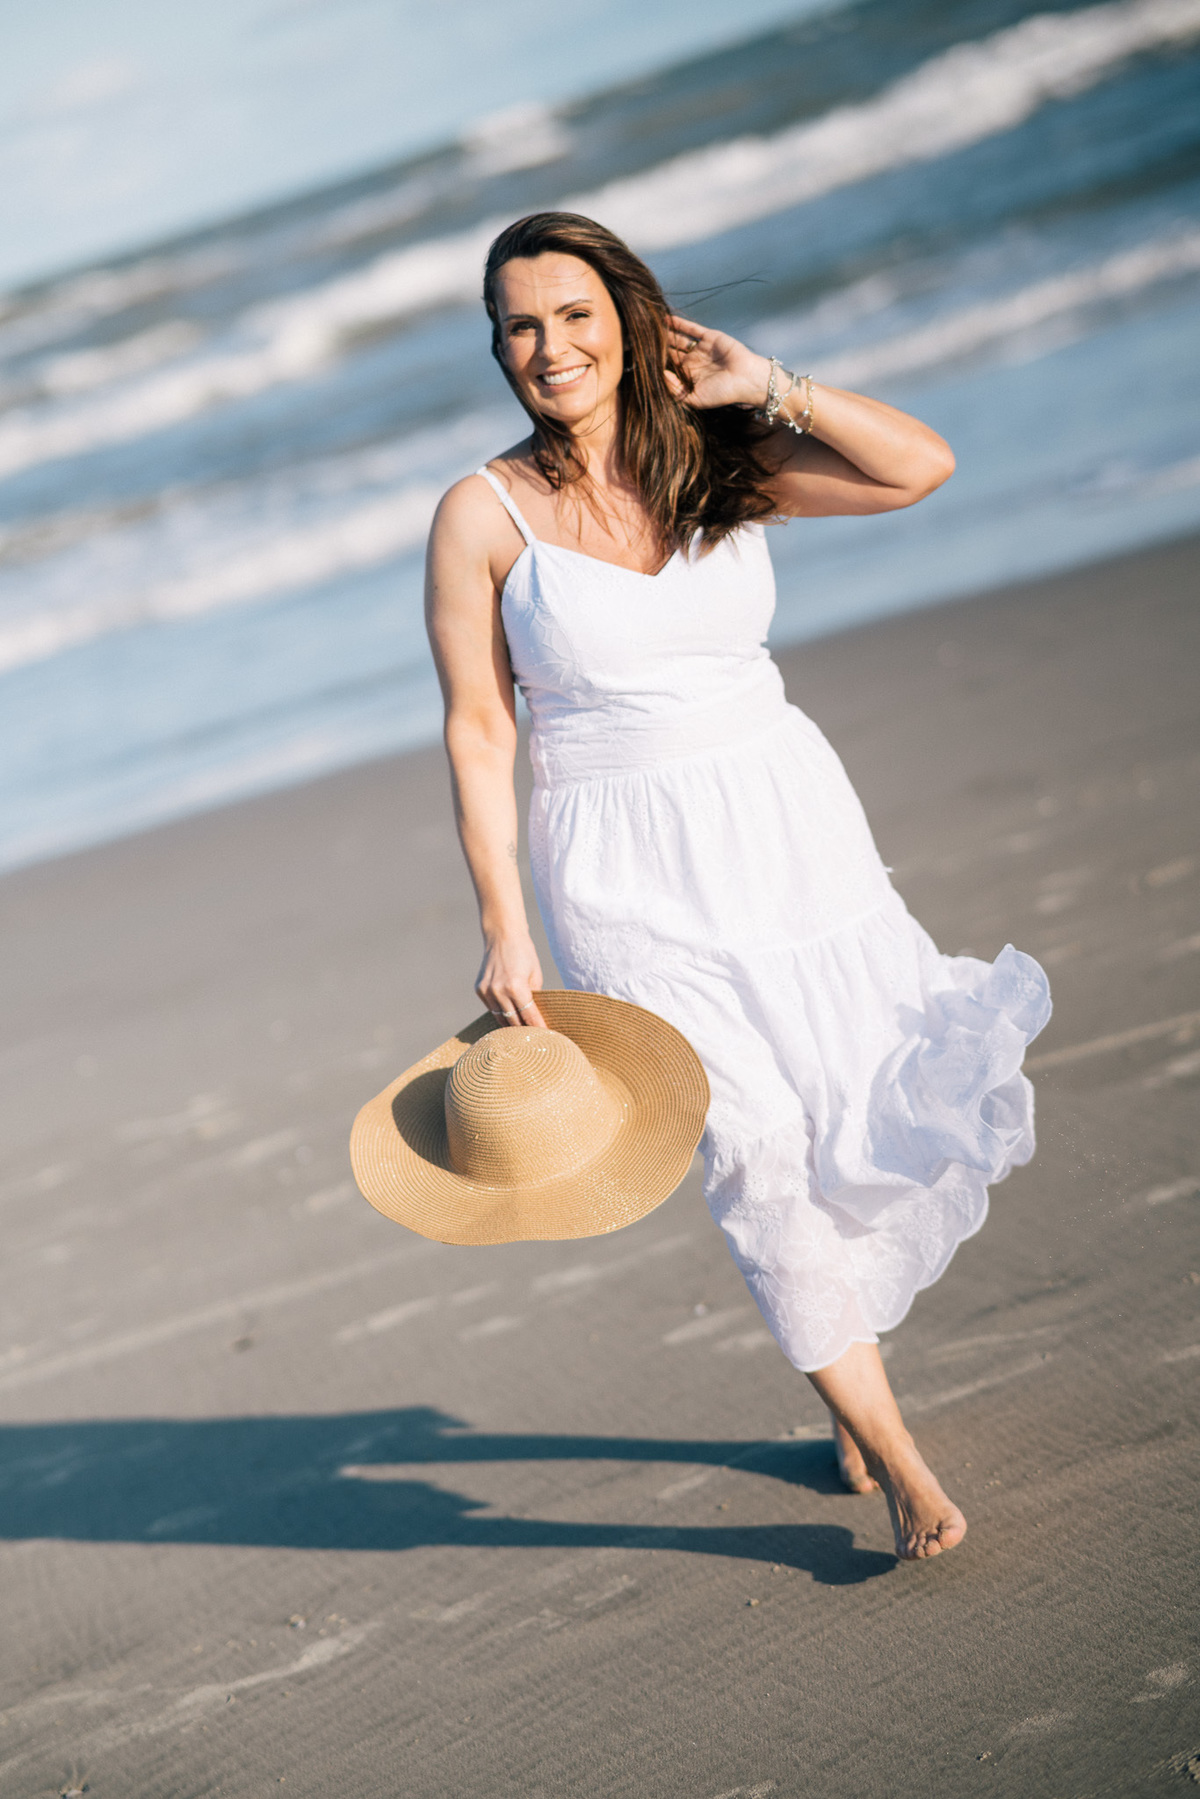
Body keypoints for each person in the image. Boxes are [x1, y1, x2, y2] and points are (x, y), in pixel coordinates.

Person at [424, 212, 1050, 1561]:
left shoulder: (719, 457)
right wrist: (503, 923)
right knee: (747, 1138)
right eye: (521, 326)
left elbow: (918, 469)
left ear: (628, 319)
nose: (551, 346)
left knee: (840, 1105)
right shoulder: (479, 518)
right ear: (499, 352)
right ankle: (897, 1461)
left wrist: (775, 385)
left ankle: (839, 1374)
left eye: (575, 314)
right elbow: (483, 729)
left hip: (783, 820)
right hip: (615, 866)